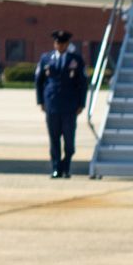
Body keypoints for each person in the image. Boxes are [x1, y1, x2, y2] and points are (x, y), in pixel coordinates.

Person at [34, 30, 89, 177]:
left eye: (62, 43)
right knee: (54, 138)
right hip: (52, 103)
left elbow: (83, 83)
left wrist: (81, 104)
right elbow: (39, 81)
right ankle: (56, 168)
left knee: (69, 141)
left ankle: (66, 164)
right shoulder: (46, 58)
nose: (60, 45)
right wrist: (41, 101)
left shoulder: (76, 60)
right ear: (55, 43)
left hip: (70, 105)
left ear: (67, 44)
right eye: (57, 42)